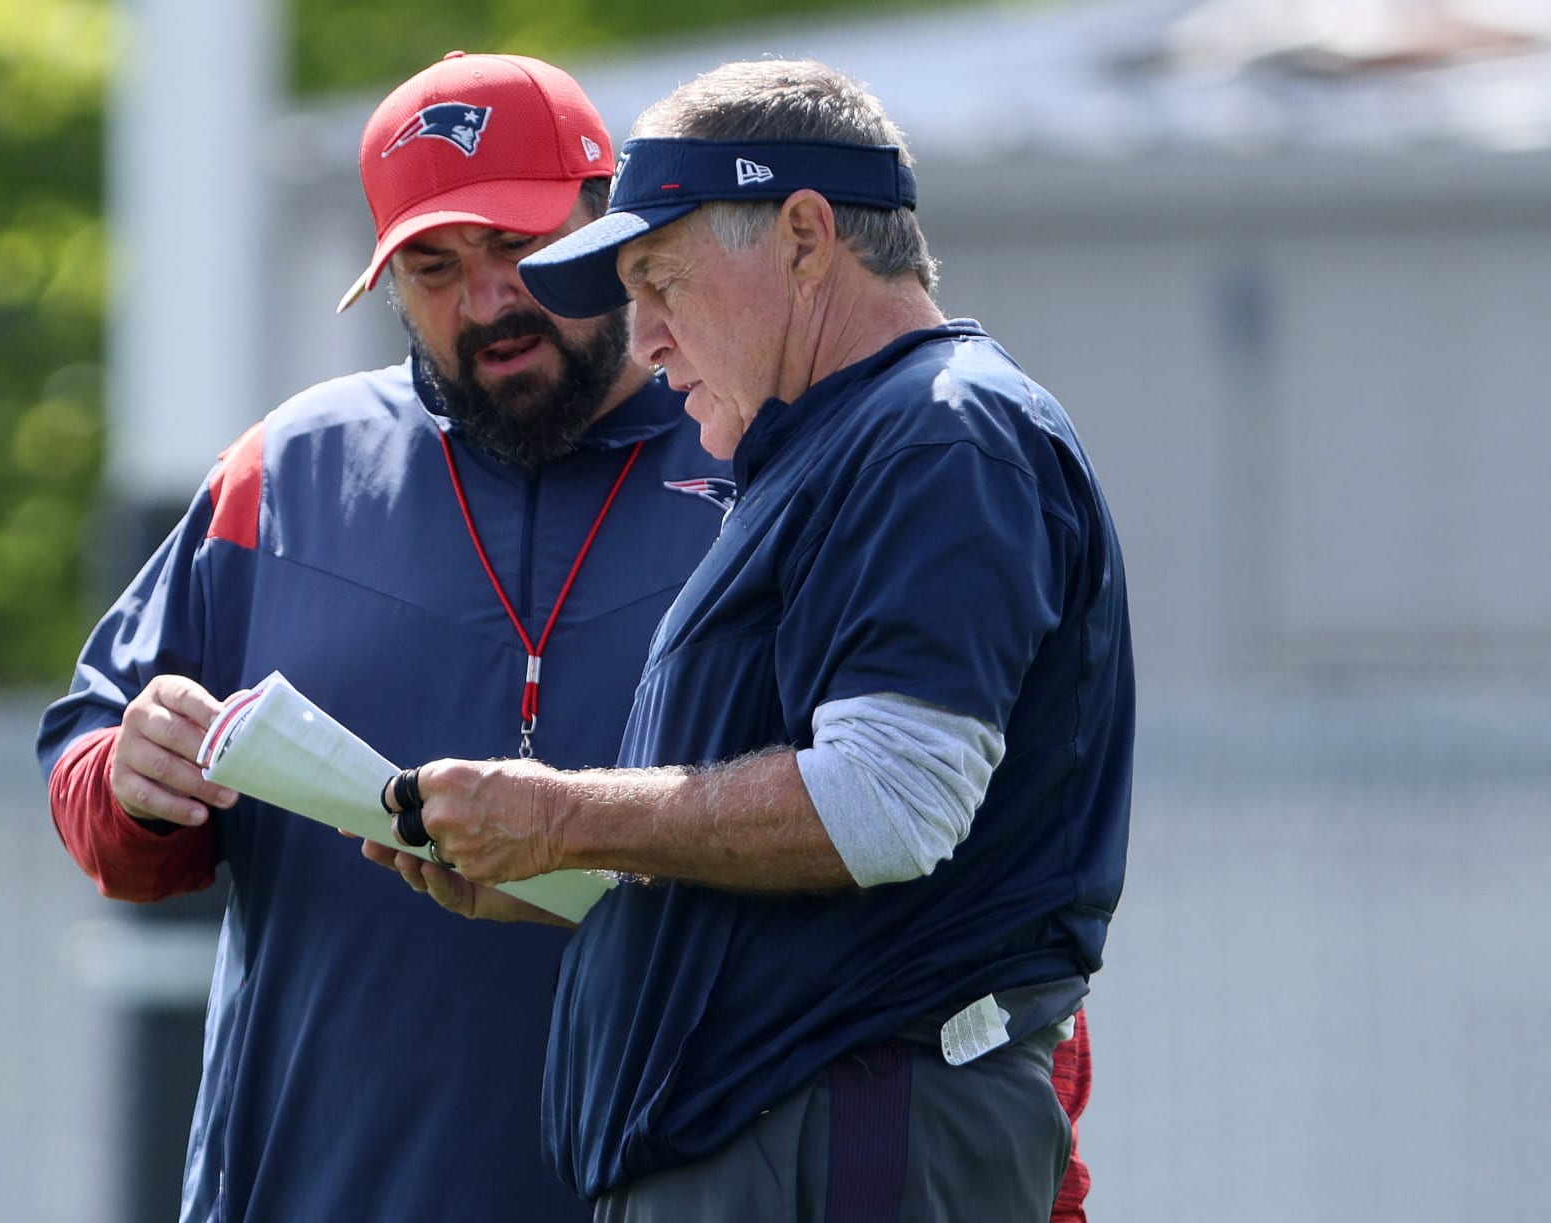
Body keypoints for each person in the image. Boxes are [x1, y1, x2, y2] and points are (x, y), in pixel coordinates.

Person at [363, 58, 1132, 1222]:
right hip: (796, 1138)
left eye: (660, 280)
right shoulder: (843, 445)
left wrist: (564, 813)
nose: (645, 336)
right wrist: (562, 868)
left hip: (856, 1128)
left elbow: (889, 799)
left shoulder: (939, 432)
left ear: (807, 236)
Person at [34, 52, 738, 1222]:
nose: (488, 302)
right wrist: (133, 772)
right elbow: (99, 776)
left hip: (679, 1185)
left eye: (517, 248)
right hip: (323, 1185)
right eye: (434, 265)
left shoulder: (758, 455)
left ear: (609, 221)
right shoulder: (289, 468)